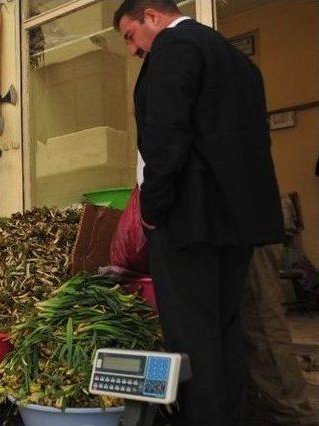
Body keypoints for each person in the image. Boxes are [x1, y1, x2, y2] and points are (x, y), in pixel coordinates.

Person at [114, 1, 284, 424]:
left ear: (152, 16)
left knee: (192, 338)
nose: (134, 50)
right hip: (237, 221)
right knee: (226, 331)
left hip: (189, 221)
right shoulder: (238, 62)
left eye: (130, 36)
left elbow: (166, 138)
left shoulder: (173, 49)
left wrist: (152, 210)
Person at [242, 245, 318, 426]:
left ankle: (294, 417)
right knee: (243, 330)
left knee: (261, 323)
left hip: (246, 233)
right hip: (220, 231)